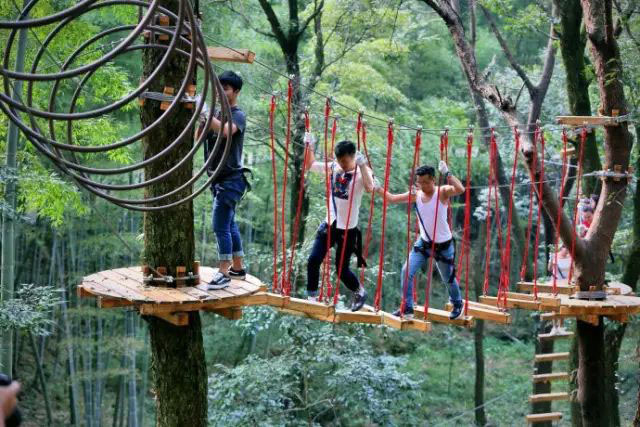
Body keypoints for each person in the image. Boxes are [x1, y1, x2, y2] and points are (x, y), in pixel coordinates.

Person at [377, 162, 465, 320]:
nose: (422, 186)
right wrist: (377, 188)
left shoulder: (442, 192)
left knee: (448, 278)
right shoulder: (415, 194)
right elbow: (392, 199)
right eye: (419, 182)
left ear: (433, 180)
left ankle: (458, 303)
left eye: (425, 182)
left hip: (444, 246)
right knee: (406, 271)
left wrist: (447, 173)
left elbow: (460, 189)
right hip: (424, 244)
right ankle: (407, 308)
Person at [304, 139, 376, 311]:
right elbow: (311, 165)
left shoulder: (362, 172)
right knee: (313, 260)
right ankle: (311, 298)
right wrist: (309, 146)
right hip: (330, 223)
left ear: (353, 157)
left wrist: (362, 164)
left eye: (344, 161)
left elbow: (370, 188)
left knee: (342, 271)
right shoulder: (334, 167)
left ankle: (359, 291)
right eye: (339, 160)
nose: (341, 164)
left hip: (348, 229)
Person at [196, 71, 248, 289]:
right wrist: (202, 120)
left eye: (225, 89)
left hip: (231, 180)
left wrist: (207, 116)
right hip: (218, 180)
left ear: (236, 92)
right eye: (219, 88)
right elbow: (198, 139)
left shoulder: (238, 115)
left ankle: (224, 272)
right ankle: (238, 268)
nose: (220, 92)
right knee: (229, 223)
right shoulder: (216, 114)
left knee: (220, 226)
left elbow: (227, 131)